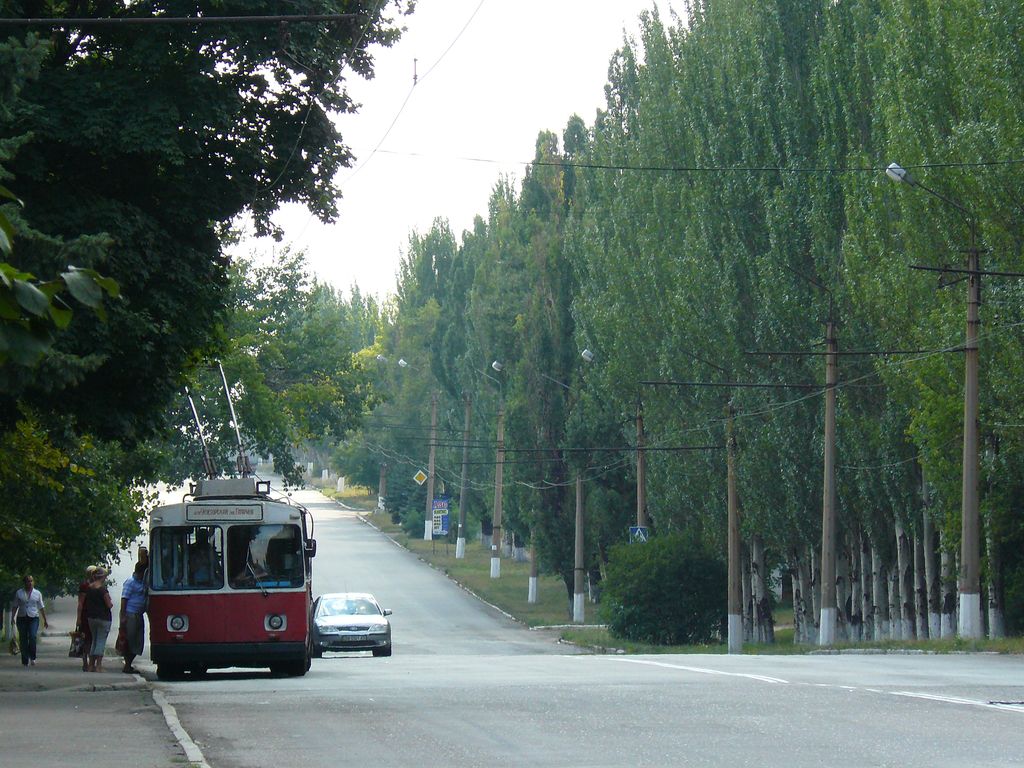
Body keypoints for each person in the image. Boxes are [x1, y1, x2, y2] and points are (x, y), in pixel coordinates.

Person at [10, 575, 48, 667]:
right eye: (28, 581)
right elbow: (15, 605)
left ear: (33, 582)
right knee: (23, 638)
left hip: (33, 618)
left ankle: (33, 657)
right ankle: (25, 660)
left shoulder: (37, 593)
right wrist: (12, 617)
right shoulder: (19, 593)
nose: (30, 583)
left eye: (31, 581)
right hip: (22, 617)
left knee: (32, 636)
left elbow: (41, 607)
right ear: (24, 583)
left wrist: (45, 620)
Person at [119, 560, 147, 674]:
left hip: (138, 614)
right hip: (130, 614)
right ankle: (127, 665)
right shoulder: (130, 582)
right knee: (130, 640)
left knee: (138, 641)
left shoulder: (143, 583)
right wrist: (123, 616)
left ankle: (129, 664)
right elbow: (124, 599)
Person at [83, 567, 113, 672]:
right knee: (100, 641)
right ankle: (99, 666)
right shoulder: (102, 590)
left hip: (91, 618)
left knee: (94, 641)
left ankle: (91, 665)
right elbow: (109, 604)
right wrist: (110, 602)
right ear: (103, 577)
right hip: (103, 618)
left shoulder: (89, 588)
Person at [76, 565, 99, 671]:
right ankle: (86, 662)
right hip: (86, 615)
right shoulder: (85, 586)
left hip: (95, 615)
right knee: (86, 640)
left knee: (93, 639)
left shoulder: (97, 585)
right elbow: (80, 602)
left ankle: (91, 663)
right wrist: (79, 618)